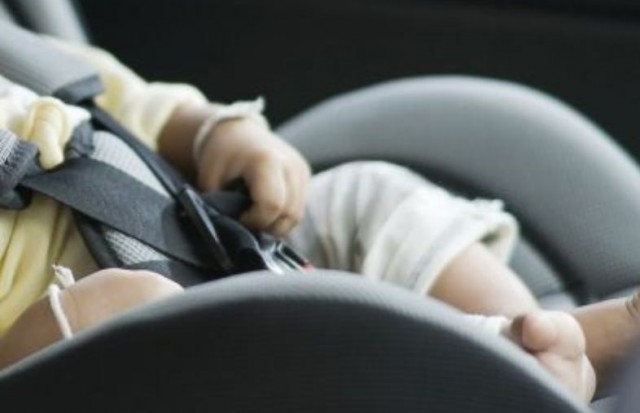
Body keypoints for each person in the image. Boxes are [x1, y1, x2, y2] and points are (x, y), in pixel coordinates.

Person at [0, 35, 636, 404]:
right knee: (158, 320)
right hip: (79, 352)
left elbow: (113, 95)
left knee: (360, 197)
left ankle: (539, 341)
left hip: (191, 228)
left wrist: (217, 132)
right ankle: (499, 373)